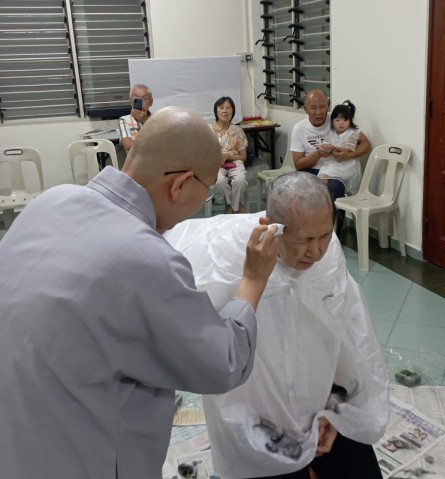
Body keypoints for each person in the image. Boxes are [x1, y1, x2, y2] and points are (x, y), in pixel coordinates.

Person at [0, 107, 280, 479]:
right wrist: (253, 279)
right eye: (206, 191)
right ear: (180, 185)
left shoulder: (50, 201)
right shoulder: (148, 260)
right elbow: (224, 362)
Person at [165, 172, 390, 479]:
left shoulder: (327, 256)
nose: (316, 252)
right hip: (257, 420)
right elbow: (210, 354)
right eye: (303, 240)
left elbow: (351, 338)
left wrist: (336, 411)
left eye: (325, 236)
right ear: (270, 227)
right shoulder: (224, 257)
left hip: (321, 404)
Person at [290, 90, 371, 234]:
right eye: (313, 108)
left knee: (335, 187)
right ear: (306, 109)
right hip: (312, 170)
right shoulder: (299, 129)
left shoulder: (336, 119)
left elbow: (365, 144)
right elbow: (299, 164)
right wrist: (318, 154)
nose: (318, 112)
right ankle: (307, 227)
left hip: (337, 169)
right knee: (300, 185)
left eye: (322, 107)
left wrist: (348, 156)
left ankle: (336, 229)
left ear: (328, 105)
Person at [210, 96, 248, 214]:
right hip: (216, 163)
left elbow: (243, 157)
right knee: (219, 181)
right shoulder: (208, 130)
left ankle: (231, 207)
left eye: (228, 108)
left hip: (235, 162)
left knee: (240, 180)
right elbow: (204, 155)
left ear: (233, 111)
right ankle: (233, 205)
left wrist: (229, 156)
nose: (225, 111)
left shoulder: (238, 131)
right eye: (221, 108)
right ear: (216, 111)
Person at [118, 83, 154, 153]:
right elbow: (128, 145)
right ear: (131, 102)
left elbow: (163, 142)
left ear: (151, 102)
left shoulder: (157, 118)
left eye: (144, 99)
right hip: (136, 158)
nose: (141, 103)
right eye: (136, 100)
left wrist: (145, 121)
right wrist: (152, 143)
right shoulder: (124, 120)